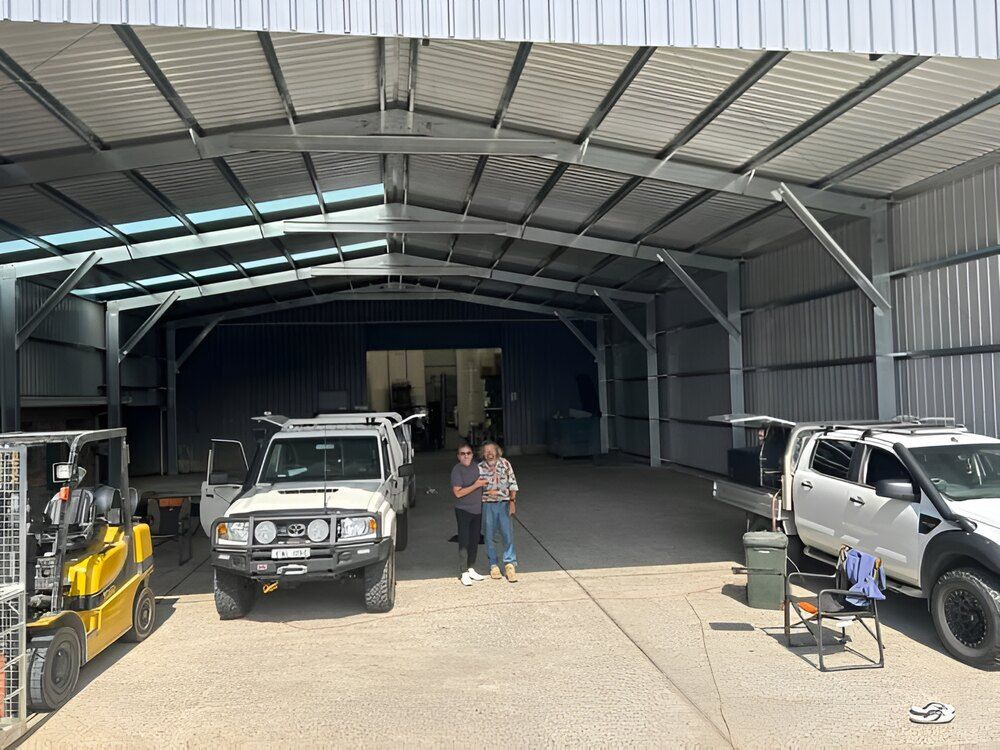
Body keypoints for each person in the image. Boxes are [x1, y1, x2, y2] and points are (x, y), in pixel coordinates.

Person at [479, 441, 519, 582]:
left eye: (491, 450)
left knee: (507, 533)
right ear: (483, 454)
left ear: (497, 451)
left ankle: (509, 564)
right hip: (488, 505)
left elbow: (512, 483)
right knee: (489, 535)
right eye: (486, 451)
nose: (489, 453)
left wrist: (513, 502)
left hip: (504, 503)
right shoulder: (479, 468)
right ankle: (493, 564)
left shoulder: (505, 464)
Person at [450, 443, 487, 587]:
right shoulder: (457, 470)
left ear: (472, 454)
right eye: (462, 453)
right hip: (463, 510)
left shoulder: (478, 467)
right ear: (458, 456)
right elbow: (458, 493)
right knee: (464, 541)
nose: (466, 456)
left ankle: (471, 568)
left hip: (477, 510)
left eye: (468, 453)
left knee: (474, 540)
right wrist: (476, 485)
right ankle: (463, 572)